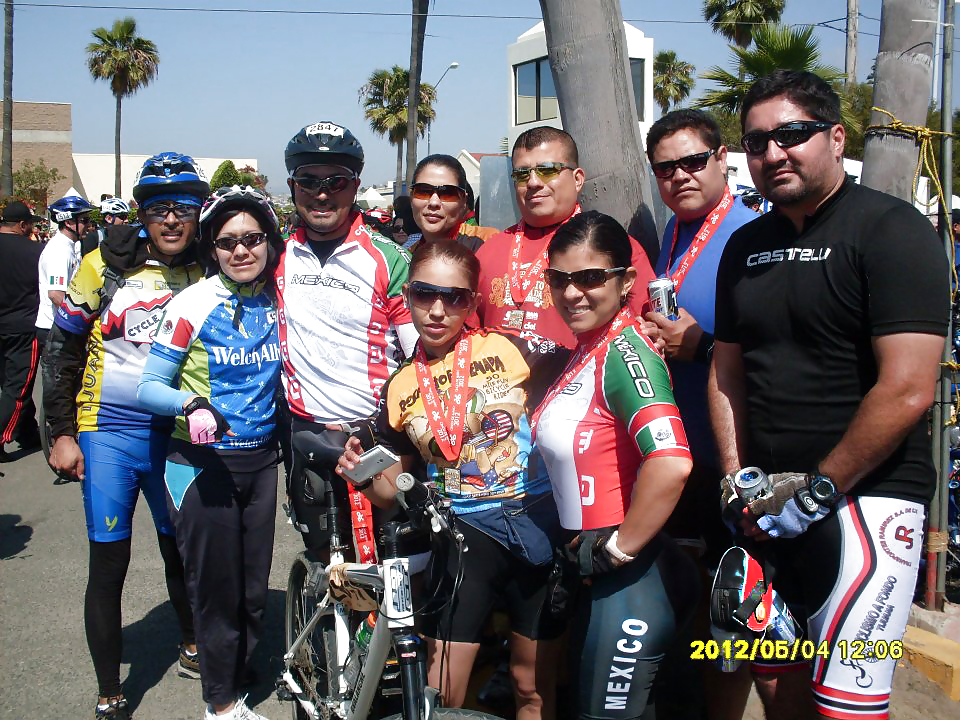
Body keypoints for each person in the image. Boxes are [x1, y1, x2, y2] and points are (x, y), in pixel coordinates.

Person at [708, 70, 950, 720]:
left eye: (791, 135)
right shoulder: (745, 246)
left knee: (845, 706)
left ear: (836, 137)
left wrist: (818, 488)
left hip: (869, 505)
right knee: (776, 684)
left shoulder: (893, 231)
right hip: (769, 508)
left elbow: (907, 390)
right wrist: (737, 479)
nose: (772, 153)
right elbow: (726, 373)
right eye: (757, 142)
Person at [337, 239, 567, 719]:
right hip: (462, 539)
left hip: (534, 526)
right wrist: (362, 476)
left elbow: (588, 359)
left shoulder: (513, 347)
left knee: (532, 688)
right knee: (441, 693)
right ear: (408, 297)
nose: (438, 310)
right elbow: (393, 491)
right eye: (424, 294)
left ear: (474, 302)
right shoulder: (399, 385)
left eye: (456, 297)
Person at [43, 152, 209, 720]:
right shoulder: (101, 266)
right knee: (109, 563)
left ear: (198, 212)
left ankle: (192, 643)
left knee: (180, 550)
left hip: (177, 432)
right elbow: (62, 351)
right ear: (140, 212)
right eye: (159, 208)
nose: (170, 220)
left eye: (183, 207)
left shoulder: (211, 265)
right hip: (108, 431)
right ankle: (110, 688)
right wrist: (59, 434)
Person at [531, 210, 699, 719]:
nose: (572, 294)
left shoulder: (626, 354)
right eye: (559, 280)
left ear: (627, 282)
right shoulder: (588, 348)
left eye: (590, 278)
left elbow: (671, 462)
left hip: (628, 578)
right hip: (594, 568)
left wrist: (619, 549)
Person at [138, 185, 282, 720]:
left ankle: (237, 681)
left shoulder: (275, 296)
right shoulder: (192, 303)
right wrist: (190, 403)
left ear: (268, 241)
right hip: (202, 466)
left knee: (251, 591)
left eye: (251, 239)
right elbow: (148, 387)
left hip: (261, 463)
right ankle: (220, 704)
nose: (241, 251)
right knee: (216, 589)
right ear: (211, 248)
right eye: (227, 242)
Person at [644, 108, 761, 719]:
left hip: (730, 458)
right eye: (666, 167)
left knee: (731, 622)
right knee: (686, 600)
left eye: (694, 161)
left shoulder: (749, 234)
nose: (681, 176)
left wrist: (702, 348)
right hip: (677, 455)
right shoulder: (671, 231)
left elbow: (772, 358)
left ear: (722, 160)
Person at [277, 121, 418, 559]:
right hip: (308, 433)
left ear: (355, 185)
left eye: (335, 181)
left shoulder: (388, 259)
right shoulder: (276, 256)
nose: (322, 192)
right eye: (309, 180)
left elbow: (419, 354)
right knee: (323, 560)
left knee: (389, 561)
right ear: (292, 186)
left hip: (376, 435)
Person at [475, 126, 656, 349]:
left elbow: (648, 332)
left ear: (578, 179)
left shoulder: (614, 246)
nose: (533, 182)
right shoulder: (488, 251)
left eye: (548, 170)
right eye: (522, 174)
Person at [0, 200, 44, 461]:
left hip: (7, 324)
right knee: (18, 387)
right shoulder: (35, 252)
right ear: (22, 225)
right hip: (22, 326)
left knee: (10, 383)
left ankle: (27, 431)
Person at [404, 154, 497, 254]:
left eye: (448, 193)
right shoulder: (408, 257)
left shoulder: (489, 243)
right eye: (423, 192)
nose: (434, 202)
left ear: (464, 200)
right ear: (411, 197)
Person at [37, 195, 95, 349]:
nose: (89, 225)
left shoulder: (69, 246)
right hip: (56, 328)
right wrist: (80, 321)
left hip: (61, 326)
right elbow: (56, 294)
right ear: (68, 222)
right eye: (84, 220)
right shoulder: (59, 250)